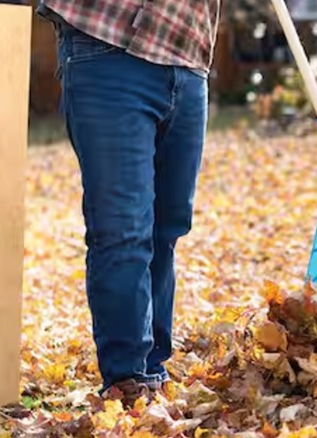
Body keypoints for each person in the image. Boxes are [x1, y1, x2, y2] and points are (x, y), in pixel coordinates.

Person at [36, 0, 220, 407]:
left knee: (166, 228)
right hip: (109, 44)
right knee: (123, 231)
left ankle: (153, 368)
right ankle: (128, 381)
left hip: (186, 52)